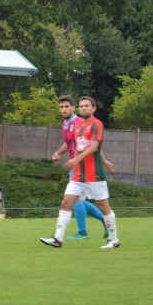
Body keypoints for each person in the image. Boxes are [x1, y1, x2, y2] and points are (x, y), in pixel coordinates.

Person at [40, 96, 120, 249]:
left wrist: (101, 162)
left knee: (103, 206)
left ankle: (114, 239)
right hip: (78, 175)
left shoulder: (97, 124)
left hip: (94, 174)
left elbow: (95, 147)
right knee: (66, 202)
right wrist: (69, 158)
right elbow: (79, 147)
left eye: (86, 106)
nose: (83, 108)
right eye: (81, 106)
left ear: (93, 108)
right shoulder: (77, 127)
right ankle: (57, 239)